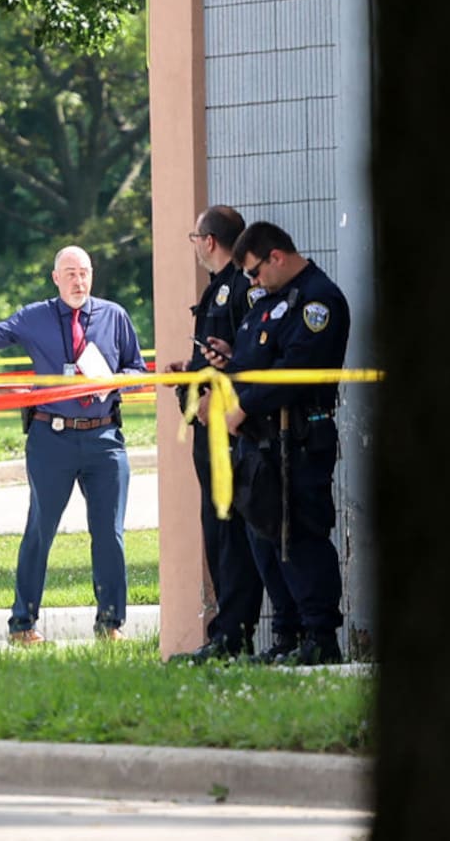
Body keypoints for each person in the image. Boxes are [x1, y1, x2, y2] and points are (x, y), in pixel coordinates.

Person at [0, 247, 145, 644]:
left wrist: (114, 379)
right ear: (55, 278)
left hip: (104, 438)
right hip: (51, 438)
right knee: (40, 531)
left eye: (85, 273)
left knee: (110, 534)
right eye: (70, 273)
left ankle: (111, 624)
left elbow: (138, 373)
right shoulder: (35, 316)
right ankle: (23, 624)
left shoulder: (114, 316)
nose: (78, 281)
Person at [201, 221, 350, 665]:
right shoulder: (269, 303)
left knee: (299, 537)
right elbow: (255, 361)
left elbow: (295, 369)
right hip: (260, 446)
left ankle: (320, 637)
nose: (250, 282)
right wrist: (226, 367)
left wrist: (241, 404)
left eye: (253, 272)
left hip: (297, 439)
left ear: (277, 257)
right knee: (265, 541)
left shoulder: (316, 301)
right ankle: (288, 634)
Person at [166, 206, 264, 663]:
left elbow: (252, 363)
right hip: (208, 427)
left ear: (208, 241)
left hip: (229, 430)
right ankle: (226, 632)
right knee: (216, 530)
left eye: (194, 237)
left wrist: (217, 400)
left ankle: (233, 635)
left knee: (230, 534)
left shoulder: (241, 288)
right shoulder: (217, 290)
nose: (195, 246)